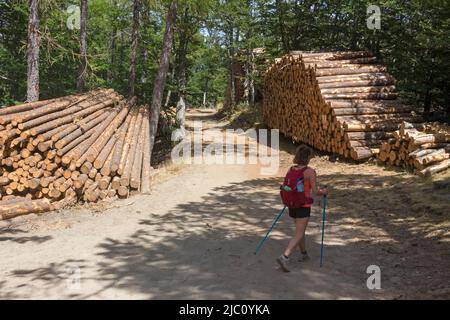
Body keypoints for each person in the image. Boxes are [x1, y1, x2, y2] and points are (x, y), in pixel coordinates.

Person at [277, 144, 327, 272]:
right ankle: (285, 256)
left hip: (292, 204)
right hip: (303, 205)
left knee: (300, 231)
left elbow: (287, 187)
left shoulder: (291, 169)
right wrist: (324, 191)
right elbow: (315, 191)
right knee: (299, 234)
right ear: (308, 157)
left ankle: (304, 253)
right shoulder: (310, 172)